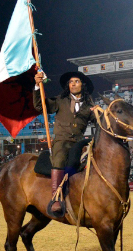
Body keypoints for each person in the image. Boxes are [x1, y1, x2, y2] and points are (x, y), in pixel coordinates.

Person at [33, 70, 96, 216]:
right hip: (62, 141)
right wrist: (37, 86)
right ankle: (56, 198)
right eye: (71, 82)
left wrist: (100, 112)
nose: (73, 84)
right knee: (60, 158)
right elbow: (38, 106)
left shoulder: (89, 105)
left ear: (83, 85)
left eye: (76, 81)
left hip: (79, 142)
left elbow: (98, 122)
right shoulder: (60, 100)